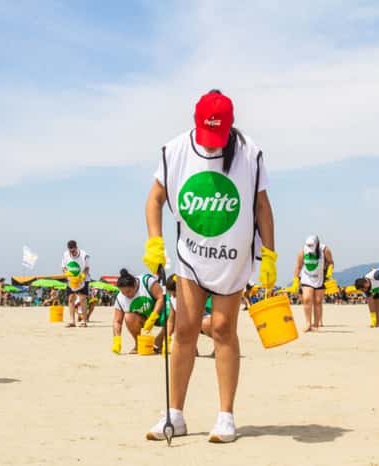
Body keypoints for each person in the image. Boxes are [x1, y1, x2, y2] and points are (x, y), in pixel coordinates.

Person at [143, 89, 276, 443]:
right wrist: (155, 243)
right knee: (184, 330)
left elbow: (262, 207)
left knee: (221, 329)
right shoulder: (175, 151)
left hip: (232, 258)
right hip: (192, 255)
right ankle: (174, 414)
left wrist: (269, 256)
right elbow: (154, 200)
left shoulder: (250, 153)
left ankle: (226, 417)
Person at [112, 269, 165, 354]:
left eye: (128, 291)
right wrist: (117, 340)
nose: (127, 295)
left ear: (134, 284)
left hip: (160, 313)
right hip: (143, 318)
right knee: (129, 317)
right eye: (123, 292)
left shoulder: (146, 281)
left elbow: (161, 297)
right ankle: (139, 344)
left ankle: (158, 341)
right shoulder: (120, 298)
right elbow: (117, 321)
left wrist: (153, 317)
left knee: (174, 312)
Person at [290, 235, 334, 332]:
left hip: (320, 277)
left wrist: (330, 271)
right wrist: (295, 281)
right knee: (306, 299)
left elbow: (331, 262)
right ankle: (308, 323)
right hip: (307, 277)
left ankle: (316, 324)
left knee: (318, 301)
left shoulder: (325, 250)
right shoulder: (302, 252)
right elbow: (298, 266)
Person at [61, 240, 91, 327]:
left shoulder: (84, 255)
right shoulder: (65, 255)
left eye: (73, 251)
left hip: (83, 279)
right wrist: (67, 273)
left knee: (82, 299)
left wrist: (82, 276)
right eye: (70, 251)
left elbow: (87, 268)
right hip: (71, 279)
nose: (72, 253)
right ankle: (72, 321)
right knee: (71, 299)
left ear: (76, 248)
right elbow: (63, 267)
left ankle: (84, 321)